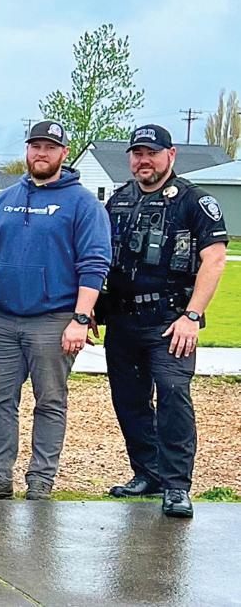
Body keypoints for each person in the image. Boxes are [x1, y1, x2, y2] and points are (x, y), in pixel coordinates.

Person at [0, 121, 111, 501]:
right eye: (35, 146)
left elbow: (94, 264)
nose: (40, 154)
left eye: (49, 147)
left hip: (54, 318)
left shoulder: (83, 204)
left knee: (49, 401)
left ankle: (41, 479)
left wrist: (80, 318)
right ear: (26, 151)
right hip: (5, 317)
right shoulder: (6, 198)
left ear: (64, 153)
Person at [101, 125, 227, 519]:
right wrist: (88, 309)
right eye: (137, 153)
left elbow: (215, 258)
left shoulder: (194, 201)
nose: (143, 160)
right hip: (122, 318)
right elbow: (97, 256)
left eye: (151, 153)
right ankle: (147, 473)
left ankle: (176, 486)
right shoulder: (119, 200)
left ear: (170, 155)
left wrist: (192, 315)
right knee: (129, 400)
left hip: (171, 321)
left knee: (173, 396)